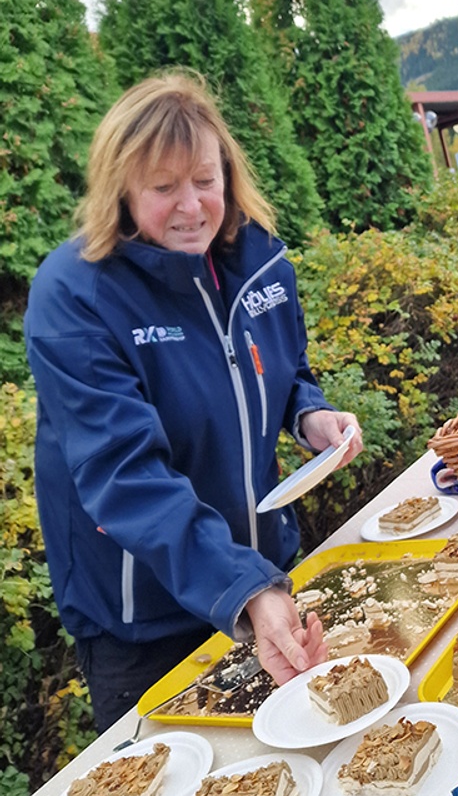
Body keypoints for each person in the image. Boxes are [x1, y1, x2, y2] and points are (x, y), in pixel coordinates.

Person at [24, 71, 363, 731]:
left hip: (263, 575)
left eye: (205, 180)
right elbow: (127, 475)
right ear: (121, 188)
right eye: (163, 187)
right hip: (144, 623)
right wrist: (245, 590)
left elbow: (281, 369)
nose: (191, 207)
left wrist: (309, 414)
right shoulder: (74, 295)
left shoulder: (257, 262)